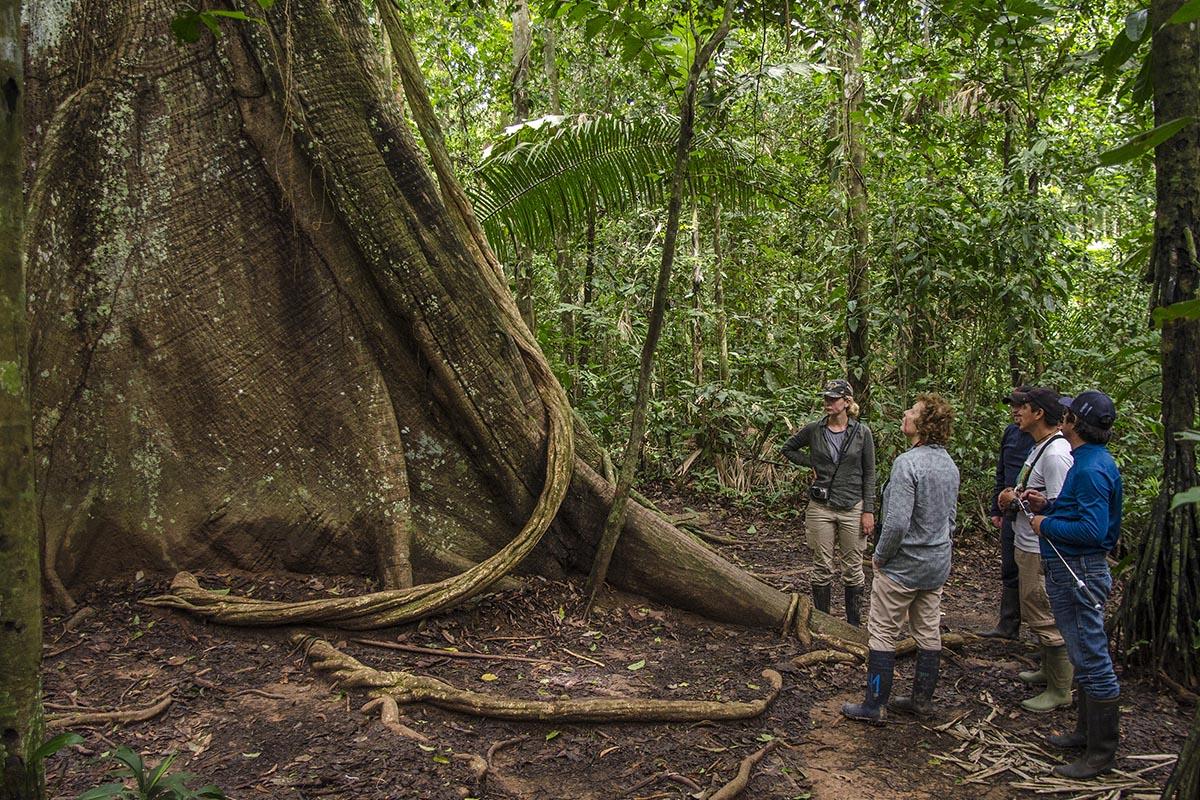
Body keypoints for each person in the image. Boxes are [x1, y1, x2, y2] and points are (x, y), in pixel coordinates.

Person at [842, 393, 959, 723]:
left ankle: (874, 704)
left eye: (913, 411)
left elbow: (896, 523)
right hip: (936, 565)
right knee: (928, 631)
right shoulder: (948, 464)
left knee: (881, 632)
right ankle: (921, 700)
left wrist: (880, 556)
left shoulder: (908, 463)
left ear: (923, 424)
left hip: (903, 566)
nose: (905, 413)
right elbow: (950, 519)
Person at [1024, 390, 1123, 779]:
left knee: (1093, 659)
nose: (1061, 418)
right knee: (1083, 655)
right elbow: (1080, 511)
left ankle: (1100, 753)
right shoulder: (1085, 461)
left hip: (1080, 570)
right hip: (1070, 567)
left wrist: (1044, 524)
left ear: (1074, 424)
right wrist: (1047, 505)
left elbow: (1094, 530)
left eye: (1067, 415)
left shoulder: (1089, 468)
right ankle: (1085, 733)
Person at [995, 387, 1074, 712]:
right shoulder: (1041, 447)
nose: (1015, 412)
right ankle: (1048, 669)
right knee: (1033, 605)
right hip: (1026, 540)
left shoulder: (1056, 455)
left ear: (1039, 412)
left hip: (1041, 547)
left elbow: (1065, 508)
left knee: (1043, 611)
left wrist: (1020, 501)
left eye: (1021, 407)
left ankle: (1060, 690)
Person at [781, 379, 877, 626]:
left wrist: (868, 511)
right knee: (822, 565)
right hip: (821, 506)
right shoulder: (815, 429)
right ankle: (823, 622)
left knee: (853, 569)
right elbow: (788, 448)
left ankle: (853, 625)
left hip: (852, 504)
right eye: (826, 398)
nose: (828, 402)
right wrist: (810, 464)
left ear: (847, 402)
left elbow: (870, 473)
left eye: (833, 398)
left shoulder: (862, 432)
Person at [980, 388, 1036, 639]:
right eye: (1012, 405)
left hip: (1035, 515)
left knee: (1035, 572)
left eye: (1019, 405)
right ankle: (1008, 624)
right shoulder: (1011, 433)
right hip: (1010, 511)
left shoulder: (1047, 441)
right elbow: (1001, 471)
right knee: (1010, 566)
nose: (1014, 410)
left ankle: (1041, 632)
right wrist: (996, 508)